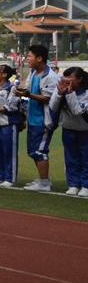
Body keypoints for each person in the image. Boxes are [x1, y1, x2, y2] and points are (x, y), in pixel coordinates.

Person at [15, 44, 59, 192]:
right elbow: (28, 89)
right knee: (33, 151)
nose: (27, 59)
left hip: (44, 121)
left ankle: (45, 183)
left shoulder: (50, 77)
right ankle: (43, 179)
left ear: (39, 58)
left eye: (29, 56)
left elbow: (49, 98)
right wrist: (21, 91)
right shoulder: (33, 73)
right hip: (33, 119)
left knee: (40, 151)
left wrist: (28, 95)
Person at [49, 66, 88, 197]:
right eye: (65, 78)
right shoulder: (61, 88)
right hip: (68, 129)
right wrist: (59, 93)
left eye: (71, 79)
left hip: (85, 131)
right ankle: (73, 184)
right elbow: (53, 107)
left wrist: (70, 94)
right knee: (71, 159)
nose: (67, 82)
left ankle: (85, 185)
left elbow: (78, 111)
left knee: (85, 159)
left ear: (80, 79)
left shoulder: (86, 93)